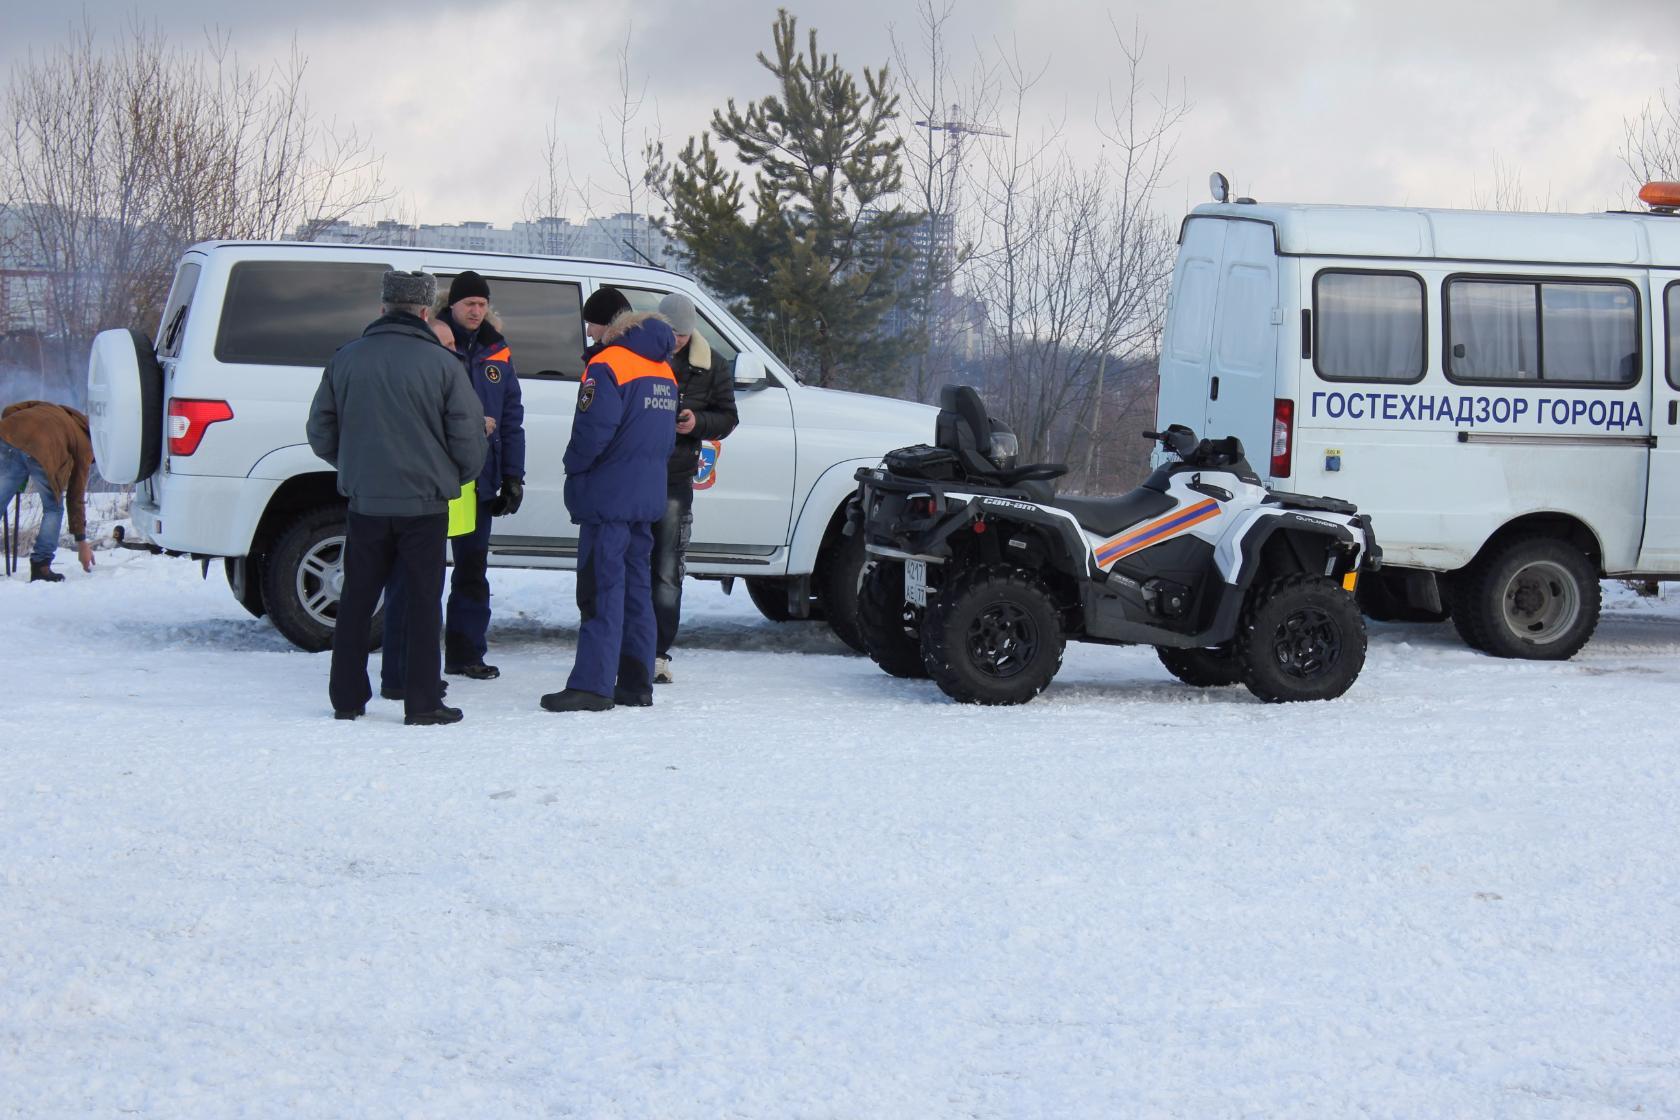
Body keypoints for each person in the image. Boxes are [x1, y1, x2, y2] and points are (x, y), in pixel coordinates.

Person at [306, 269, 486, 725]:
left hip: (366, 502)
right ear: (426, 313)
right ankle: (422, 702)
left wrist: (355, 469)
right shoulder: (444, 365)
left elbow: (320, 432)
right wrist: (451, 476)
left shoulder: (346, 358)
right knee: (423, 604)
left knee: (356, 601)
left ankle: (347, 698)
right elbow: (469, 441)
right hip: (424, 506)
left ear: (383, 308)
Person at [540, 310, 678, 713]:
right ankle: (636, 682)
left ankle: (592, 684)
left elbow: (592, 430)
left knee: (600, 590)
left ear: (618, 331)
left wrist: (573, 466)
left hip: (608, 497)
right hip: (644, 496)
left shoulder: (607, 364)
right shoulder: (664, 371)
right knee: (637, 592)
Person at [430, 270, 525, 680]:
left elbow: (511, 420)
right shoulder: (433, 342)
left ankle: (466, 653)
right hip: (434, 476)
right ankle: (417, 655)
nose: (476, 310)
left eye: (482, 303)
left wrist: (512, 476)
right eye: (469, 303)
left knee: (472, 569)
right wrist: (469, 424)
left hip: (479, 480)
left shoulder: (496, 351)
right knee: (425, 570)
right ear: (452, 305)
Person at [650, 293, 739, 683]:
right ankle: (621, 644)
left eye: (684, 335)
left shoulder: (711, 365)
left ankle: (657, 653)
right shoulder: (640, 357)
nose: (678, 341)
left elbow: (727, 417)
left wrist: (696, 423)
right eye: (672, 333)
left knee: (667, 569)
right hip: (634, 474)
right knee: (625, 564)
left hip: (675, 476)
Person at [0, 400, 95, 582]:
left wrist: (20, 440)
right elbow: (75, 497)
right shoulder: (85, 446)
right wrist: (81, 541)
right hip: (42, 449)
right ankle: (41, 566)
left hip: (7, 435)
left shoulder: (55, 408)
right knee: (53, 508)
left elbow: (10, 410)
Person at [581, 285, 631, 363]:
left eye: (591, 325)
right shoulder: (649, 352)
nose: (588, 333)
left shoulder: (606, 363)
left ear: (610, 325)